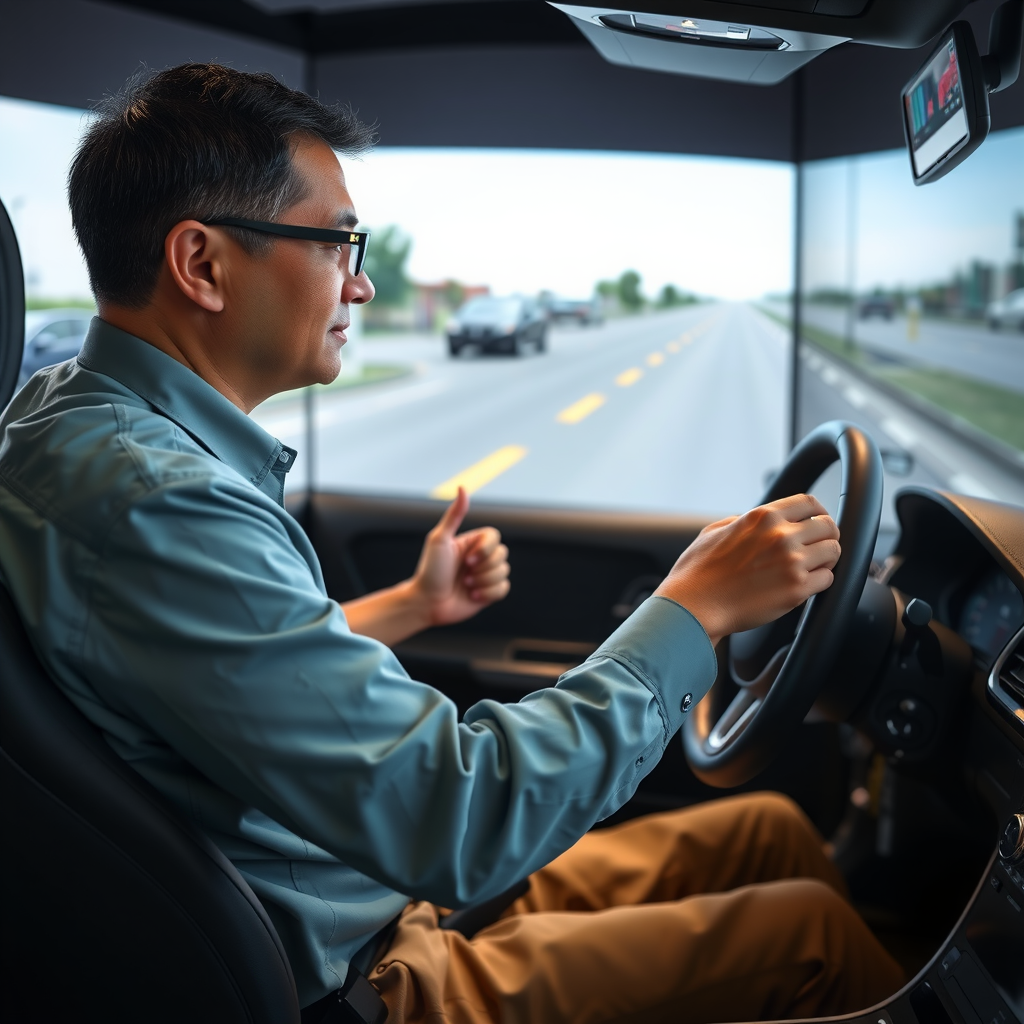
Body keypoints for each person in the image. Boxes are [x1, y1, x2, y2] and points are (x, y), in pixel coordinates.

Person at [0, 63, 903, 1023]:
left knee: (767, 833)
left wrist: (415, 607)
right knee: (813, 937)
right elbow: (461, 818)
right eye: (338, 241)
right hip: (364, 980)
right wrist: (696, 608)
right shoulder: (158, 503)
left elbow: (218, 667)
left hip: (367, 892)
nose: (360, 281)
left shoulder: (63, 418)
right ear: (202, 264)